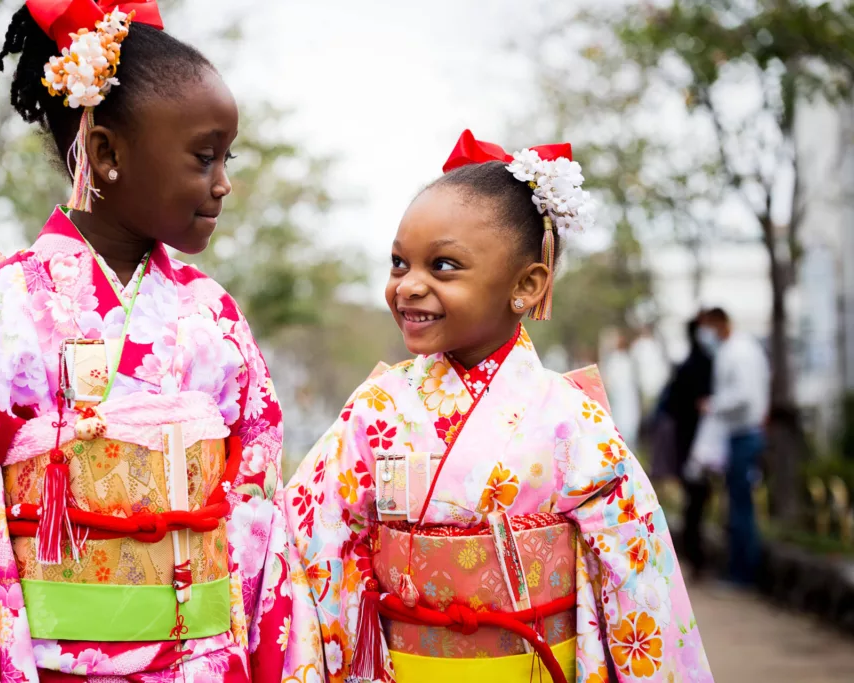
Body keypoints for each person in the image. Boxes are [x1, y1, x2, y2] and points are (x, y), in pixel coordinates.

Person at [0, 1, 306, 680]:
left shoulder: (214, 320)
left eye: (226, 156)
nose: (223, 182)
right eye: (203, 156)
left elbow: (259, 521)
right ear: (105, 153)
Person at [284, 130, 712, 683]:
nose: (408, 286)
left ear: (527, 285)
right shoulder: (375, 411)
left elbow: (637, 577)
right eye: (398, 263)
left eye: (442, 266)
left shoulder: (571, 421)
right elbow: (308, 544)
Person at [697, 307, 769, 587]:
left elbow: (744, 396)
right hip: (739, 435)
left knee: (741, 509)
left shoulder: (740, 352)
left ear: (719, 323)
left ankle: (743, 575)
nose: (705, 335)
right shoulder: (736, 349)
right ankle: (740, 571)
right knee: (738, 506)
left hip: (744, 436)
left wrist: (712, 405)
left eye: (708, 327)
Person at [663, 316, 714, 580]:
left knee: (694, 503)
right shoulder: (705, 365)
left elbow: (670, 406)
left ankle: (697, 558)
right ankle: (697, 558)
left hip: (691, 444)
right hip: (701, 446)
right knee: (697, 502)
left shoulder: (688, 366)